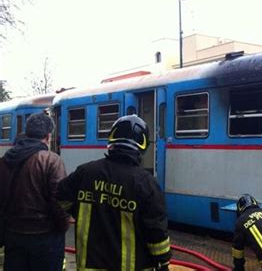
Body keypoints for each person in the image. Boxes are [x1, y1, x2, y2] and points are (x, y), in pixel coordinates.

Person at [57, 115, 171, 270]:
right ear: (143, 146)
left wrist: (81, 209)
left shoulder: (85, 172)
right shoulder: (146, 183)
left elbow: (60, 199)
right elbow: (156, 234)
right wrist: (163, 262)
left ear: (111, 140)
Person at [0, 113, 69, 271]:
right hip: (44, 236)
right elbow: (59, 201)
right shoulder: (51, 160)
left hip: (12, 234)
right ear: (48, 135)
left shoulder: (5, 160)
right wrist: (63, 226)